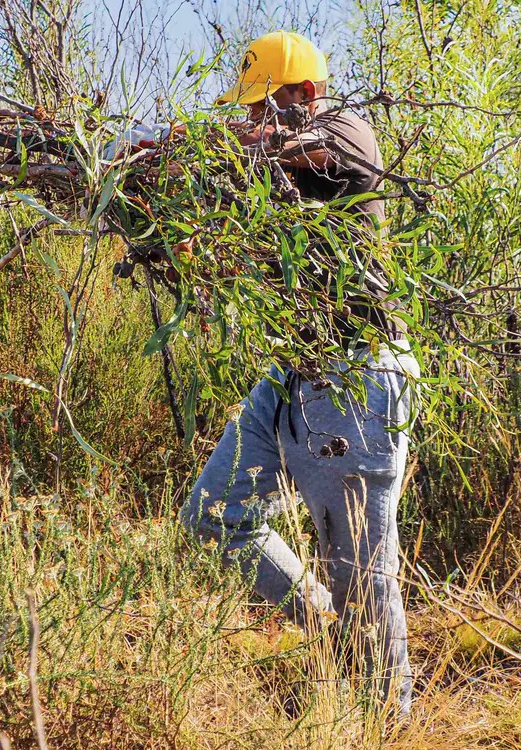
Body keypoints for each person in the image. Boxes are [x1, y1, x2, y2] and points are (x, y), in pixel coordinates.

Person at [179, 31, 419, 718]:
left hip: (355, 377)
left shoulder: (345, 132)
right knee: (215, 514)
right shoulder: (272, 166)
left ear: (304, 96)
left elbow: (292, 152)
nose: (252, 123)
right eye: (248, 111)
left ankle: (386, 726)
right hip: (293, 376)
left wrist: (216, 149)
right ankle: (326, 632)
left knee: (364, 577)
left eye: (261, 108)